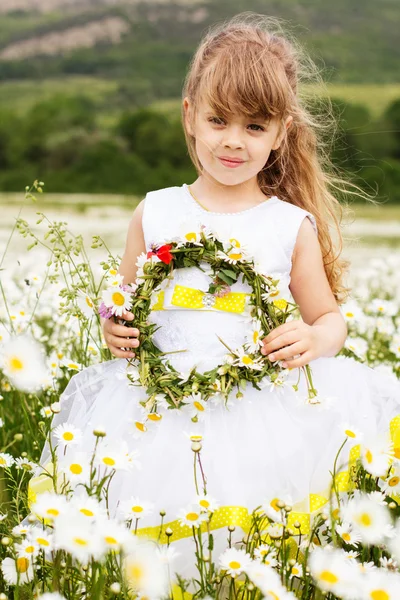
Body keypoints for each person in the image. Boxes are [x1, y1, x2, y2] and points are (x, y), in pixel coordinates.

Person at [30, 12, 400, 587]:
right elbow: (120, 301)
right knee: (156, 546)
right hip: (154, 410)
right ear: (190, 117)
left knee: (241, 551)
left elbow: (328, 318)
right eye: (218, 119)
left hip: (256, 411)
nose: (233, 139)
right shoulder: (155, 211)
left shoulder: (288, 224)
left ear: (281, 132)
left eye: (255, 127)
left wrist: (314, 336)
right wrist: (112, 327)